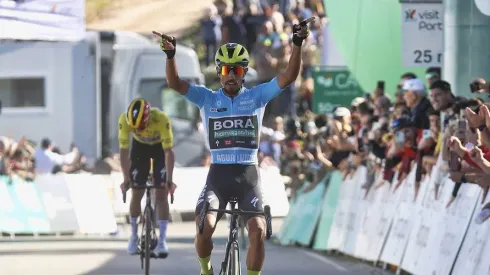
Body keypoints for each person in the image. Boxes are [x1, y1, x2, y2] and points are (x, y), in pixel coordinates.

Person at [155, 17, 311, 275]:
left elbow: (289, 76)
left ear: (244, 73)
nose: (230, 76)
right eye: (226, 70)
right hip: (219, 176)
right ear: (218, 72)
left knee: (259, 231)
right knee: (204, 227)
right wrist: (171, 56)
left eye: (236, 71)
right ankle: (206, 270)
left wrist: (297, 43)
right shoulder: (206, 98)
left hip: (248, 176)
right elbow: (175, 84)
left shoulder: (256, 96)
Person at [118, 98, 176, 258]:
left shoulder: (161, 118)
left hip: (160, 149)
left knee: (161, 193)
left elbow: (168, 152)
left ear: (148, 117)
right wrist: (126, 177)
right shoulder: (124, 120)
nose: (139, 130)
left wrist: (169, 179)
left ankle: (163, 240)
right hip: (139, 150)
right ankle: (134, 235)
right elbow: (123, 152)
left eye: (141, 126)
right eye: (134, 128)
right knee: (136, 192)